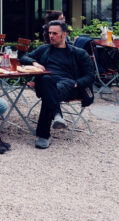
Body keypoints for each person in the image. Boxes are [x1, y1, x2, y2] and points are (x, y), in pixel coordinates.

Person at [20, 21, 94, 149]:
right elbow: (23, 57)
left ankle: (44, 136)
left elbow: (90, 76)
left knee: (48, 94)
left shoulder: (79, 53)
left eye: (55, 33)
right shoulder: (44, 49)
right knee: (46, 81)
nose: (51, 36)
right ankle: (57, 115)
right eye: (49, 33)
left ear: (64, 34)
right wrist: (34, 63)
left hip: (70, 85)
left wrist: (77, 83)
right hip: (47, 83)